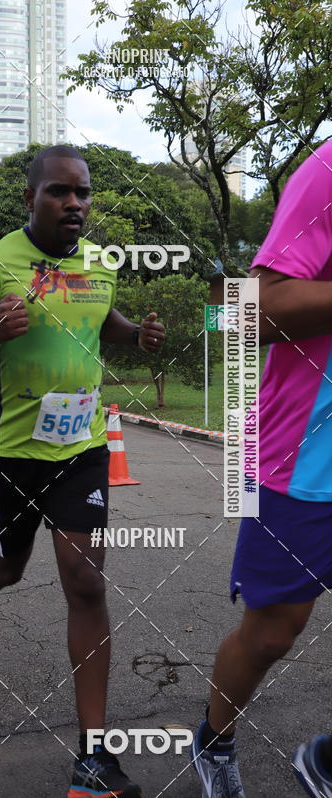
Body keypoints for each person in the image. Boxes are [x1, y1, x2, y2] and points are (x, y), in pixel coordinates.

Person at [0, 145, 165, 798]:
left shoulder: (98, 264)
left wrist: (132, 333)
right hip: (15, 454)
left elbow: (99, 318)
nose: (75, 203)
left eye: (83, 192)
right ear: (31, 199)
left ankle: (94, 758)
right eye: (60, 192)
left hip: (82, 449)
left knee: (86, 583)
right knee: (11, 564)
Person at [190, 140, 332, 797]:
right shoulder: (326, 170)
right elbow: (255, 309)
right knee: (273, 632)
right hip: (304, 460)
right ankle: (214, 740)